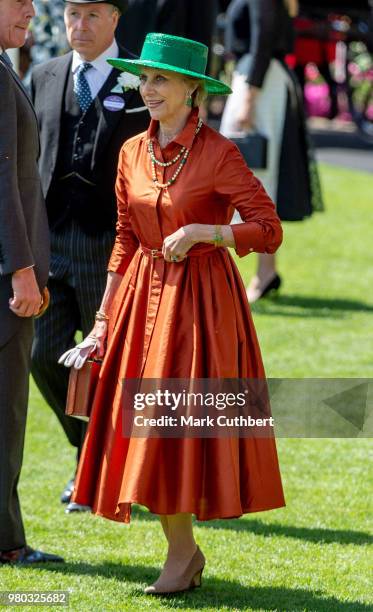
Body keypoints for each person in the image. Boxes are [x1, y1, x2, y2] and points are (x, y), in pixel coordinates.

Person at [59, 33, 286, 593]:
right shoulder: (132, 151)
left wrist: (210, 231)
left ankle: (183, 556)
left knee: (172, 429)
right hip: (140, 303)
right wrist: (104, 321)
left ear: (192, 90)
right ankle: (183, 554)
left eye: (161, 79)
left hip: (201, 309)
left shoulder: (219, 154)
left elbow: (269, 227)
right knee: (143, 432)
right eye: (145, 78)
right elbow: (123, 240)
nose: (148, 89)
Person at [30, 0, 149, 512]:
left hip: (111, 245)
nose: (79, 26)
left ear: (116, 20)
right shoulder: (43, 74)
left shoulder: (143, 81)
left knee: (110, 366)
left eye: (93, 15)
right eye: (73, 15)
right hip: (48, 241)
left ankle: (113, 470)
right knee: (43, 356)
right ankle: (87, 452)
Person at [0, 0, 63, 564]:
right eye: (17, 1)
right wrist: (21, 269)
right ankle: (7, 544)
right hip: (6, 283)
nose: (31, 10)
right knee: (5, 417)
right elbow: (1, 180)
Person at [220, 0, 324, 302]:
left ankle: (263, 272)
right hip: (260, 80)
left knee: (254, 177)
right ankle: (265, 270)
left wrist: (249, 99)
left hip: (258, 84)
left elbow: (263, 41)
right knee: (255, 176)